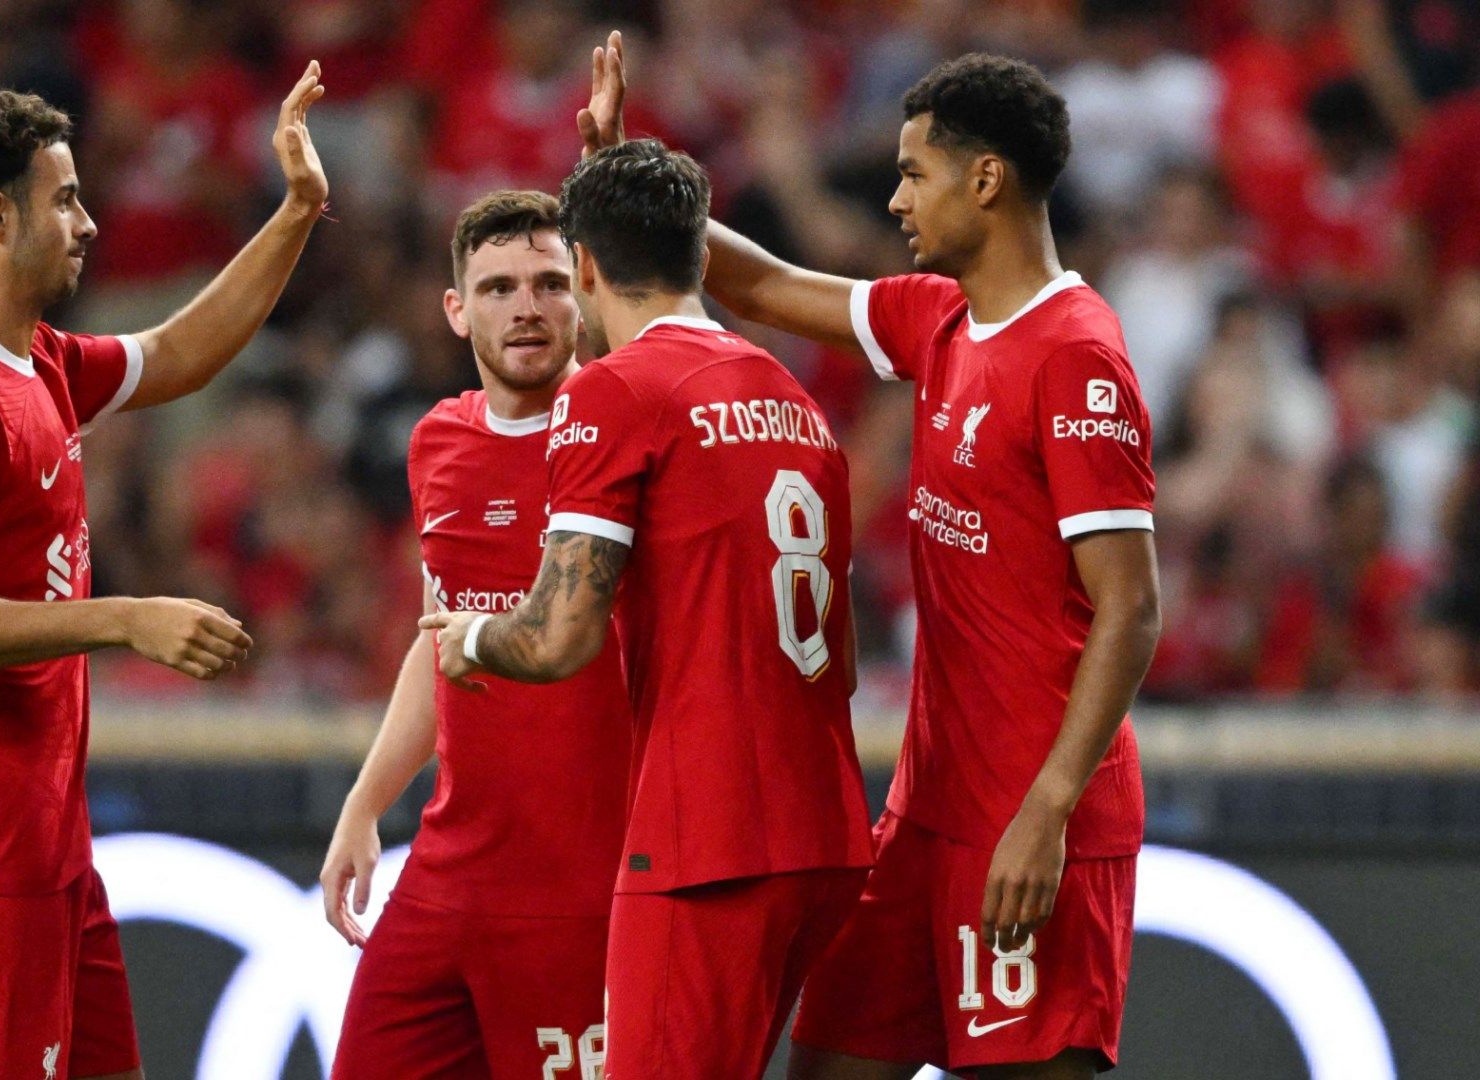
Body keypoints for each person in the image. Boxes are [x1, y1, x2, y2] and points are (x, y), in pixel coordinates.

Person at [581, 36, 1162, 1080]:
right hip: (928, 812)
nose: (896, 199)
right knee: (828, 1059)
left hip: (1033, 820)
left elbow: (1131, 610)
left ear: (985, 180)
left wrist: (1046, 814)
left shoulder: (1076, 356)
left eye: (913, 173)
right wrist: (626, 182)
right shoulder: (942, 320)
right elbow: (761, 287)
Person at [0, 66, 329, 1080]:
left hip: (42, 832)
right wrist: (125, 619)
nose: (90, 223)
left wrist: (297, 212)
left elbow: (180, 352)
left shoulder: (37, 362)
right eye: (65, 197)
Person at [421, 140, 874, 1080]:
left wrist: (469, 636)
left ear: (582, 266)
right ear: (701, 257)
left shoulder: (613, 391)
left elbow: (556, 637)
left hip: (709, 839)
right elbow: (845, 648)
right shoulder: (793, 397)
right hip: (826, 832)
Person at [322, 189, 631, 1080]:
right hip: (449, 871)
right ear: (456, 311)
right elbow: (440, 636)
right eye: (497, 288)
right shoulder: (438, 443)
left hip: (583, 887)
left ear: (584, 295)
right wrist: (365, 804)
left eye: (547, 283)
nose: (525, 307)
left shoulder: (624, 431)